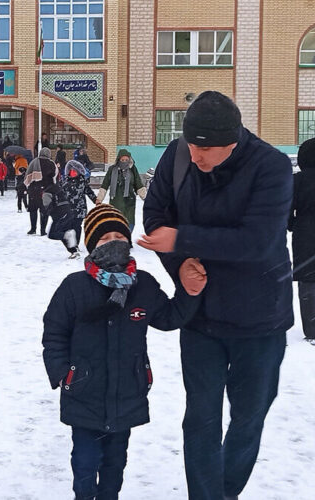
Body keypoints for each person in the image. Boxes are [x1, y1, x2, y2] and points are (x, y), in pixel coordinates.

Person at [140, 90, 293, 500]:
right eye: (191, 146)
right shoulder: (177, 156)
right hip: (201, 316)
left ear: (234, 142)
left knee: (248, 417)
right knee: (201, 419)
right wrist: (180, 265)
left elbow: (259, 241)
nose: (196, 157)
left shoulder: (271, 167)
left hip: (259, 319)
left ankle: (225, 491)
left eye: (206, 151)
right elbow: (156, 217)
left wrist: (184, 239)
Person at [43, 204, 205, 500]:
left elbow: (169, 317)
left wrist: (189, 291)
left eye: (119, 235)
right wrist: (63, 373)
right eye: (105, 239)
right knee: (84, 462)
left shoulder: (142, 285)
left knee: (115, 464)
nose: (113, 241)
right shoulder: (75, 287)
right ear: (92, 245)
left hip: (127, 392)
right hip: (83, 392)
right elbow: (54, 332)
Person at [289, 138, 315, 345]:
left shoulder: (297, 180)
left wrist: (293, 224)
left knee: (308, 281)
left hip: (305, 234)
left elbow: (286, 208)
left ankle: (312, 328)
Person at [98, 150, 145, 231]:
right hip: (115, 202)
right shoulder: (112, 169)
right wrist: (99, 199)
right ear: (118, 159)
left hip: (129, 203)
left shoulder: (132, 169)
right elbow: (105, 184)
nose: (124, 162)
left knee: (128, 226)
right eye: (122, 160)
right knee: (115, 227)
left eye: (126, 160)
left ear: (129, 160)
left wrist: (145, 197)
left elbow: (138, 184)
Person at [42, 172, 80, 258]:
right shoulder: (57, 187)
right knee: (63, 232)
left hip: (59, 214)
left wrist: (44, 215)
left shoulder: (47, 191)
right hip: (68, 211)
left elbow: (46, 206)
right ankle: (74, 252)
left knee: (53, 234)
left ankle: (68, 237)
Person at [60, 159, 98, 246]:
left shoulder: (82, 182)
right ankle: (70, 243)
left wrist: (95, 200)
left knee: (77, 226)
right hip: (68, 209)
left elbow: (89, 192)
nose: (73, 173)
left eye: (74, 171)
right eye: (71, 171)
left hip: (80, 209)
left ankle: (76, 244)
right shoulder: (65, 182)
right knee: (69, 226)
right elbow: (59, 193)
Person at [25, 148, 55, 235]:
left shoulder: (34, 162)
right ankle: (43, 230)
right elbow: (54, 176)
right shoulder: (51, 163)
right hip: (46, 191)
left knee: (33, 210)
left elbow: (28, 175)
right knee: (44, 210)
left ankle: (33, 229)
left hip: (34, 190)